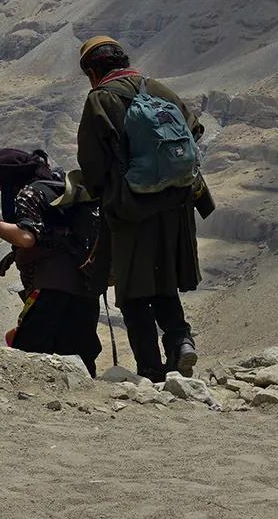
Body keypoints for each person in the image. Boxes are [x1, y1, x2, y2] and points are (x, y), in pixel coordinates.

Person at [75, 35, 212, 382]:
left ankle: (151, 371)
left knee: (134, 291)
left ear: (92, 70)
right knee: (163, 280)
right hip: (177, 206)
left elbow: (92, 163)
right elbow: (195, 128)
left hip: (130, 210)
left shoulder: (100, 99)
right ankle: (181, 343)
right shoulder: (158, 89)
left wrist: (112, 190)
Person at [0, 152, 104, 376]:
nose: (0, 191)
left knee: (30, 354)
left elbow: (26, 237)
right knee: (80, 355)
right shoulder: (55, 187)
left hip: (51, 285)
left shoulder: (27, 193)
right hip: (85, 284)